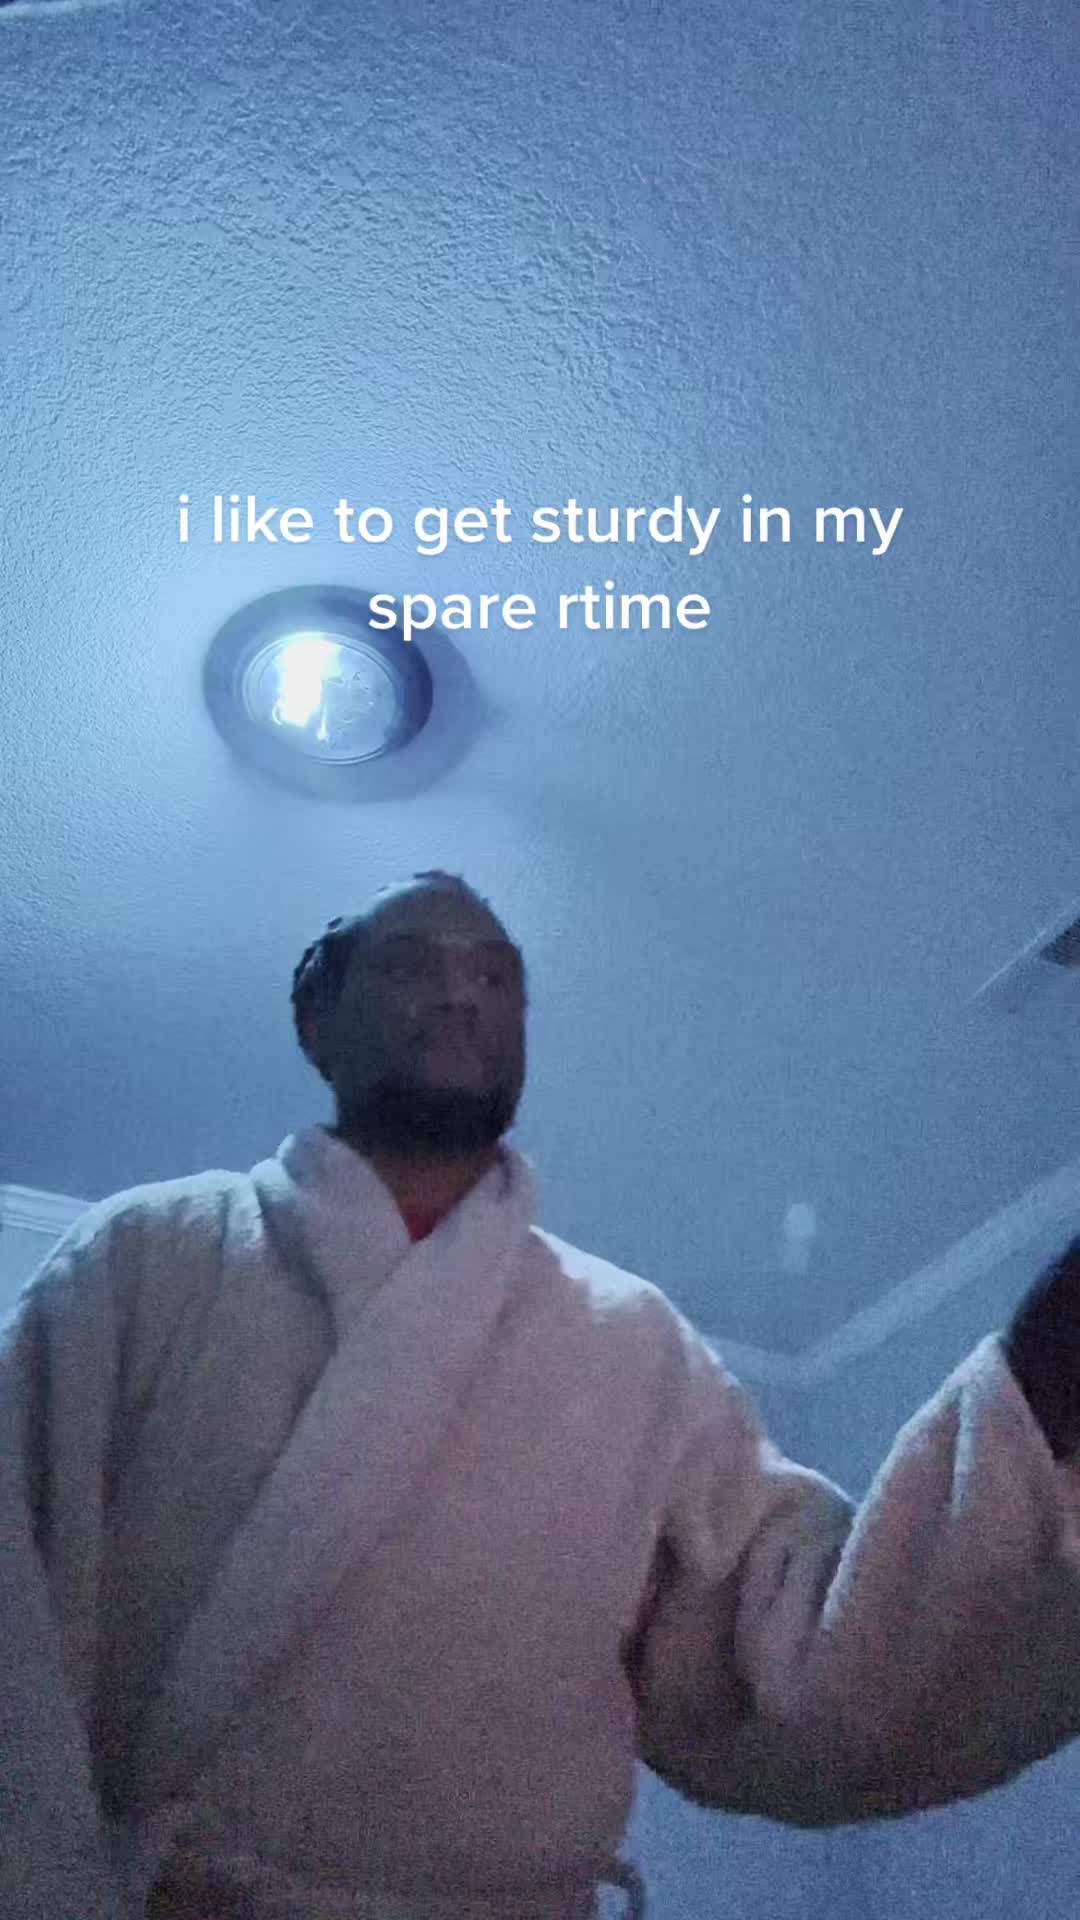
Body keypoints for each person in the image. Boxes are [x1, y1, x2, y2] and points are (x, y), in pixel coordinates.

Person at [3, 868, 1080, 1920]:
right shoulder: (144, 1259)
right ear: (315, 1020)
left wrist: (1049, 1380)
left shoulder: (632, 1339)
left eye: (495, 975)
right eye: (410, 963)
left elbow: (815, 1663)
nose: (459, 992)